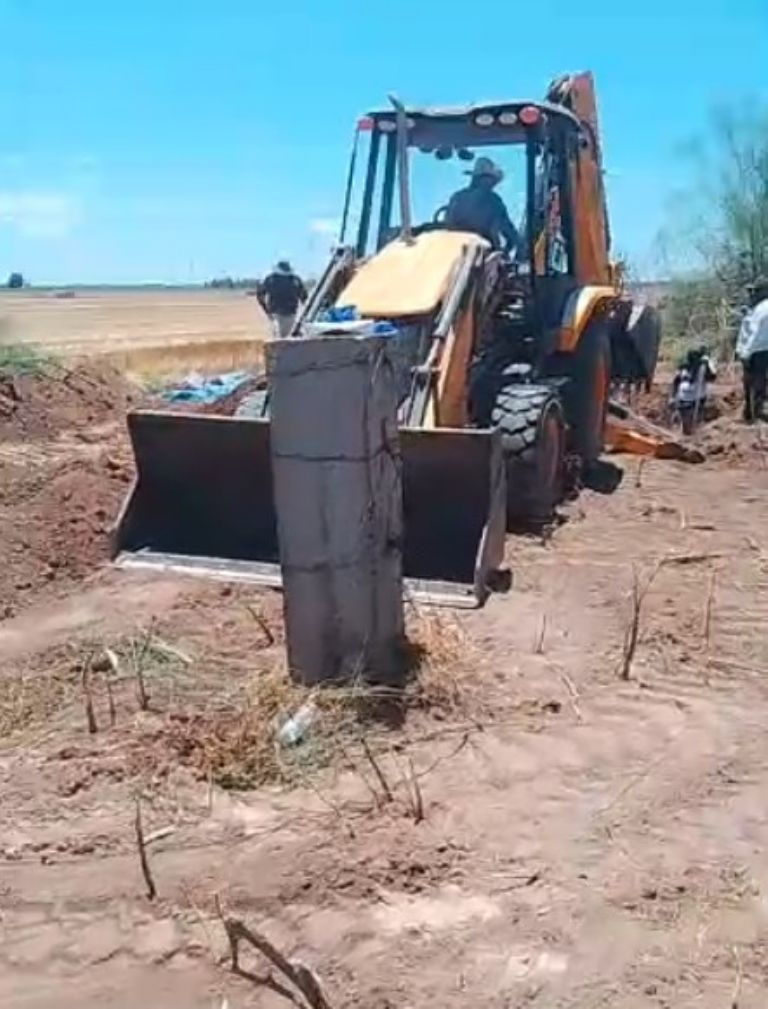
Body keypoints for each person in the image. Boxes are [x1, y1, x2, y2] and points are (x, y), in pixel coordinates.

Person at [444, 157, 520, 253]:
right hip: (483, 259)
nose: (493, 184)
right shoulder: (494, 201)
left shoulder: (457, 197)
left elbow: (447, 225)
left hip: (454, 253)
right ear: (483, 179)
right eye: (492, 180)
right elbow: (511, 235)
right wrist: (505, 253)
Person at [736, 279, 768, 422]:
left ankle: (756, 416)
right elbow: (746, 331)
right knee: (750, 384)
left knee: (756, 383)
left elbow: (756, 334)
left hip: (758, 351)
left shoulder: (764, 309)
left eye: (755, 291)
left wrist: (746, 352)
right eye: (751, 291)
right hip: (751, 351)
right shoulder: (756, 308)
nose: (751, 294)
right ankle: (750, 414)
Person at [670, 345, 717, 435]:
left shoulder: (703, 369)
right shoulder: (683, 368)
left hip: (696, 400)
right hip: (682, 400)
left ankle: (692, 436)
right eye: (691, 358)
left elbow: (712, 377)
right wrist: (672, 397)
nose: (692, 360)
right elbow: (676, 381)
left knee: (693, 423)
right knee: (683, 423)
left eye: (695, 358)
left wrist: (707, 365)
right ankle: (683, 435)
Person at [257, 261, 308, 338]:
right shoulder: (271, 279)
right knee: (281, 338)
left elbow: (304, 297)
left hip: (291, 315)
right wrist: (267, 311)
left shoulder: (294, 280)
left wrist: (266, 310)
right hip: (278, 315)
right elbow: (260, 295)